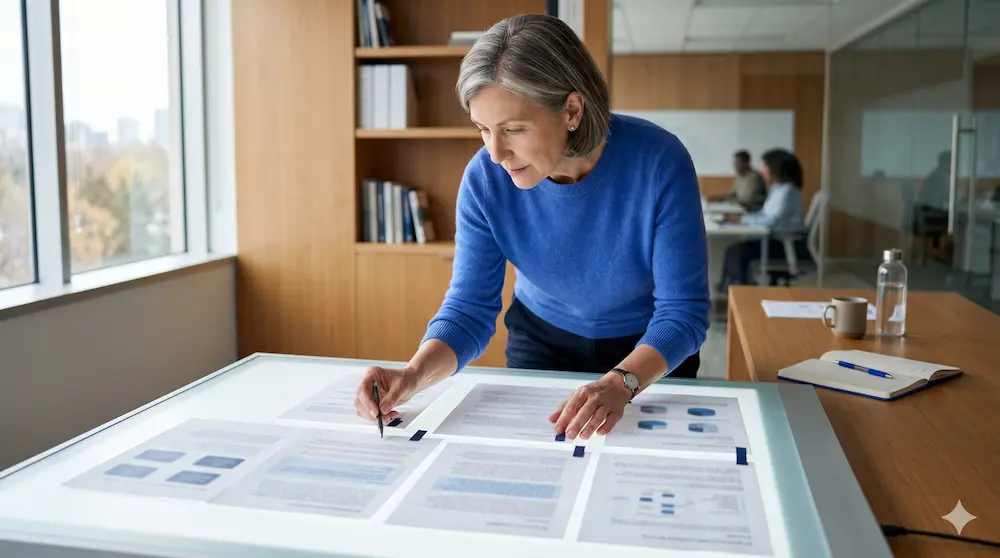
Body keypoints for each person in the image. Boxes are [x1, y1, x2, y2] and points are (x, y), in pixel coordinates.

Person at [353, 14, 710, 441]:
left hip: (650, 349)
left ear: (572, 110)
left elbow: (683, 313)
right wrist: (413, 375)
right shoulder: (484, 179)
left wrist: (623, 382)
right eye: (483, 129)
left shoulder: (660, 161)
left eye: (514, 129)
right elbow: (469, 310)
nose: (496, 153)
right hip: (542, 341)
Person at [716, 149, 806, 294]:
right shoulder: (778, 189)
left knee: (736, 253)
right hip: (776, 239)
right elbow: (764, 215)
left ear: (775, 168)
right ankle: (734, 290)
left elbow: (770, 221)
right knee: (734, 251)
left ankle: (743, 293)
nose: (762, 170)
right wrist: (741, 218)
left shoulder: (787, 192)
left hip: (784, 244)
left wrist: (741, 219)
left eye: (765, 166)